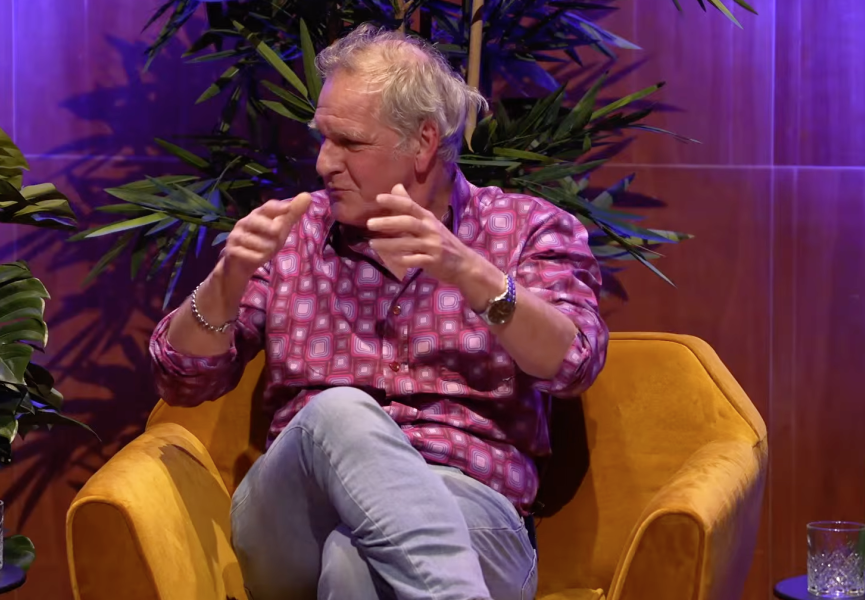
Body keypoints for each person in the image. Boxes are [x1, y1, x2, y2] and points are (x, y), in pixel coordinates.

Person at [149, 23, 608, 600]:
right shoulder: (295, 233)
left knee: (353, 566)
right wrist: (227, 277)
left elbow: (573, 363)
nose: (325, 163)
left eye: (349, 143)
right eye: (323, 138)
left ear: (423, 141)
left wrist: (468, 272)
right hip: (296, 519)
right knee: (337, 412)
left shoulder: (526, 228)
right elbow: (182, 379)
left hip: (471, 511)